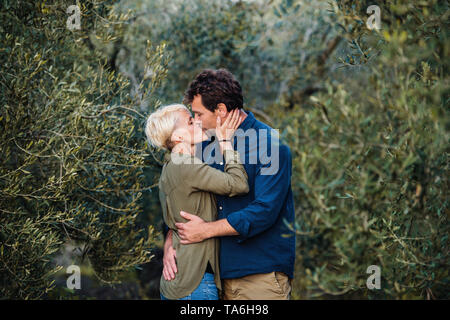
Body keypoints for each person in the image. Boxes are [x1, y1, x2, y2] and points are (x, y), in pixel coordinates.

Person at [163, 69, 296, 300]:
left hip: (259, 277)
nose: (196, 121)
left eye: (199, 114)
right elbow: (179, 195)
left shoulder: (271, 146)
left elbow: (264, 211)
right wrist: (169, 244)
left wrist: (205, 230)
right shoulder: (204, 145)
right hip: (212, 279)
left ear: (221, 110)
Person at [145, 103, 249, 300]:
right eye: (190, 121)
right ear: (178, 137)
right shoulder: (186, 166)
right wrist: (226, 141)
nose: (198, 122)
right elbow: (239, 184)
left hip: (177, 281)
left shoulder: (169, 167)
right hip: (196, 284)